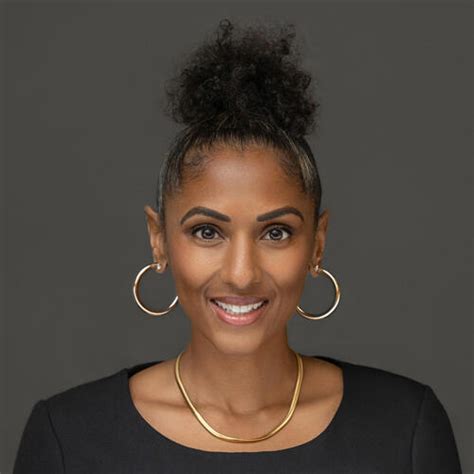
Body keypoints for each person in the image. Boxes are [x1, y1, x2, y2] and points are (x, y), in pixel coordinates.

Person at [13, 18, 462, 474]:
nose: (242, 274)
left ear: (317, 243)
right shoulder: (68, 436)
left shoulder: (405, 427)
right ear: (158, 240)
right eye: (207, 232)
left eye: (276, 233)